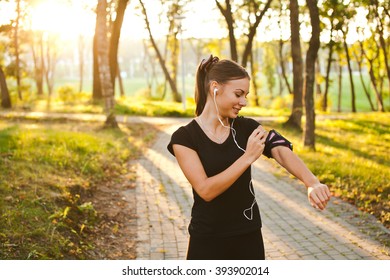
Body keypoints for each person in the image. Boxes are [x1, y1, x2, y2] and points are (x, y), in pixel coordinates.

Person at [167, 55, 331, 260]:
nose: (243, 102)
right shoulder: (184, 137)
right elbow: (205, 190)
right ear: (215, 88)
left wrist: (311, 182)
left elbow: (279, 148)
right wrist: (247, 157)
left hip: (248, 235)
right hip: (207, 238)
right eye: (238, 94)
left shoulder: (246, 128)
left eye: (246, 95)